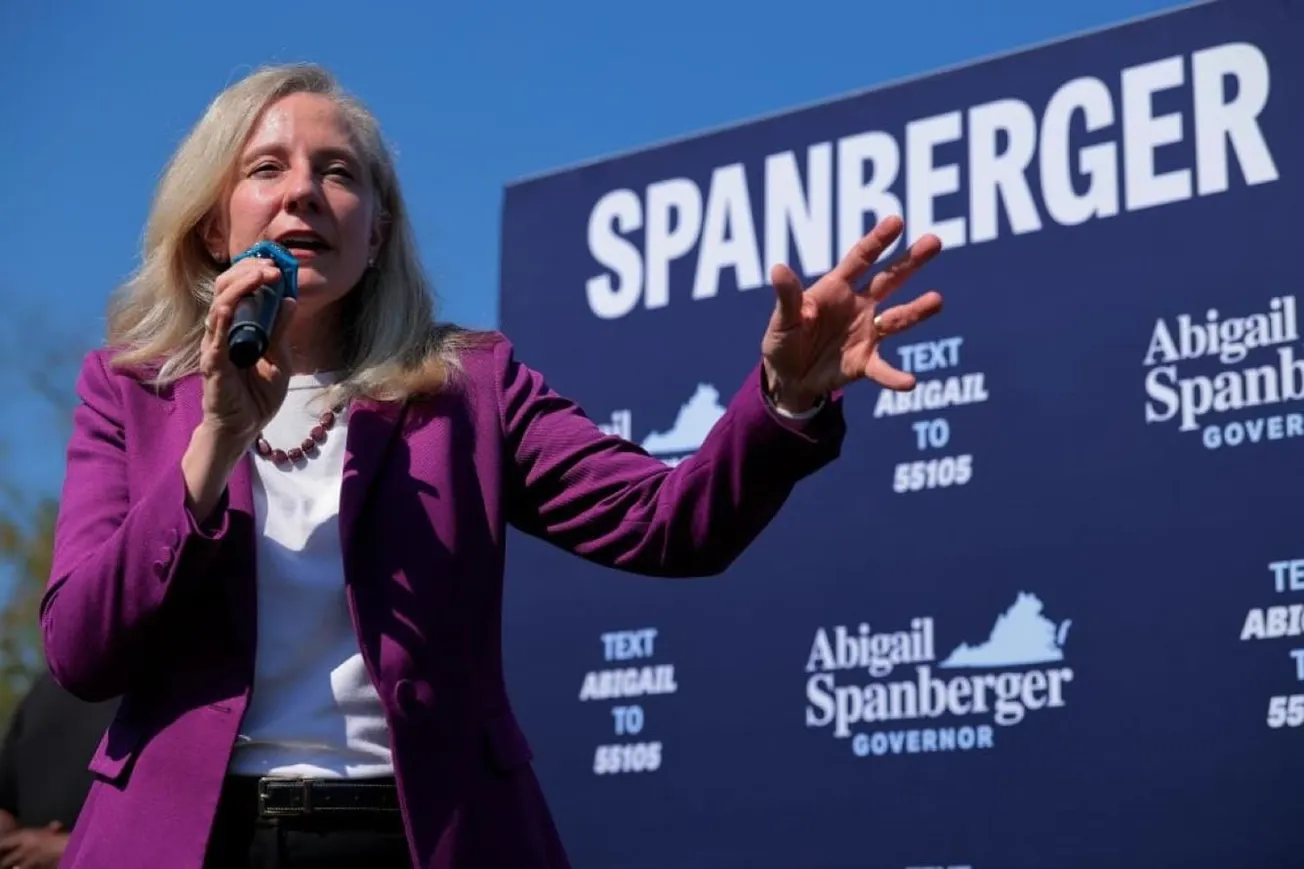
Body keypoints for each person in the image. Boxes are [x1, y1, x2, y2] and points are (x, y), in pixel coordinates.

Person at [39, 63, 945, 869]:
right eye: (265, 168)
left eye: (339, 173)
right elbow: (82, 647)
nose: (304, 194)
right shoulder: (130, 390)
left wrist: (784, 395)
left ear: (380, 231)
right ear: (209, 227)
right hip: (189, 838)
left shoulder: (471, 383)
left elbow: (672, 523)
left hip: (426, 831)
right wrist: (215, 441)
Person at [0, 669, 120, 869]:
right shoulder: (47, 688)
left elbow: (182, 832)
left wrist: (72, 851)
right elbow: (6, 801)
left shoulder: (172, 691)